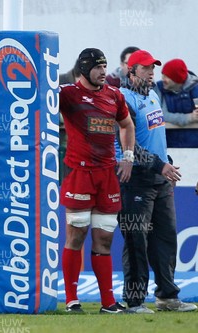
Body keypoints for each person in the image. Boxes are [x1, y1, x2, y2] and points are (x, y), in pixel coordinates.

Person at [117, 49, 197, 313]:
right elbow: (129, 146)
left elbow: (156, 137)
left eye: (153, 68)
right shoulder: (123, 100)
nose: (152, 73)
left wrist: (167, 162)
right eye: (146, 68)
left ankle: (167, 296)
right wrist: (159, 165)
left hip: (160, 178)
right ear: (132, 71)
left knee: (165, 239)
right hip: (135, 178)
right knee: (136, 241)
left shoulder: (152, 95)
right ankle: (135, 300)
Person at [59, 48, 136, 314]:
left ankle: (108, 303)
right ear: (83, 69)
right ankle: (71, 300)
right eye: (98, 67)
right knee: (76, 235)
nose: (104, 71)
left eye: (105, 66)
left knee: (104, 239)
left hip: (107, 176)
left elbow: (126, 125)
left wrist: (127, 156)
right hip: (79, 174)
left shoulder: (114, 95)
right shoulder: (67, 94)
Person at [154, 58, 198, 148]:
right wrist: (188, 118)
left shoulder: (195, 88)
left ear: (177, 79)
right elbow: (161, 115)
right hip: (168, 145)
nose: (163, 80)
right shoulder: (159, 89)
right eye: (163, 75)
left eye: (166, 76)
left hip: (194, 146)